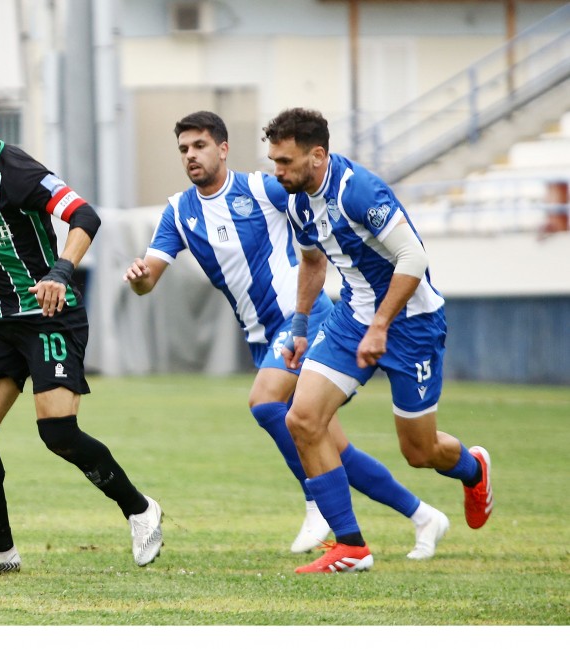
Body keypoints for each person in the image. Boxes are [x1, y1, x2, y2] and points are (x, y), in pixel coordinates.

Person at [124, 110, 449, 560]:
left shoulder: (266, 187)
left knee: (266, 402)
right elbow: (149, 279)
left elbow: (322, 196)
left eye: (199, 146)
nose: (190, 156)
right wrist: (139, 276)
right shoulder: (180, 211)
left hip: (308, 316)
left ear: (223, 148)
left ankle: (317, 500)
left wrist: (323, 319)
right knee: (328, 443)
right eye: (183, 149)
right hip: (264, 333)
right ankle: (420, 515)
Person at [0, 77, 163, 576]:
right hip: (0, 321)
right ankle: (0, 550)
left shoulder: (19, 170)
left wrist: (60, 272)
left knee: (58, 433)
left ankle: (140, 509)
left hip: (49, 317)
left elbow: (84, 215)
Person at [263, 108, 493, 574]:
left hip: (412, 324)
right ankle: (351, 546)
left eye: (285, 162)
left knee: (419, 452)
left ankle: (473, 469)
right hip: (352, 317)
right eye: (273, 161)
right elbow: (312, 265)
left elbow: (413, 256)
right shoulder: (296, 199)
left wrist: (381, 326)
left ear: (318, 155)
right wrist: (303, 328)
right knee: (303, 418)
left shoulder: (358, 191)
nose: (277, 172)